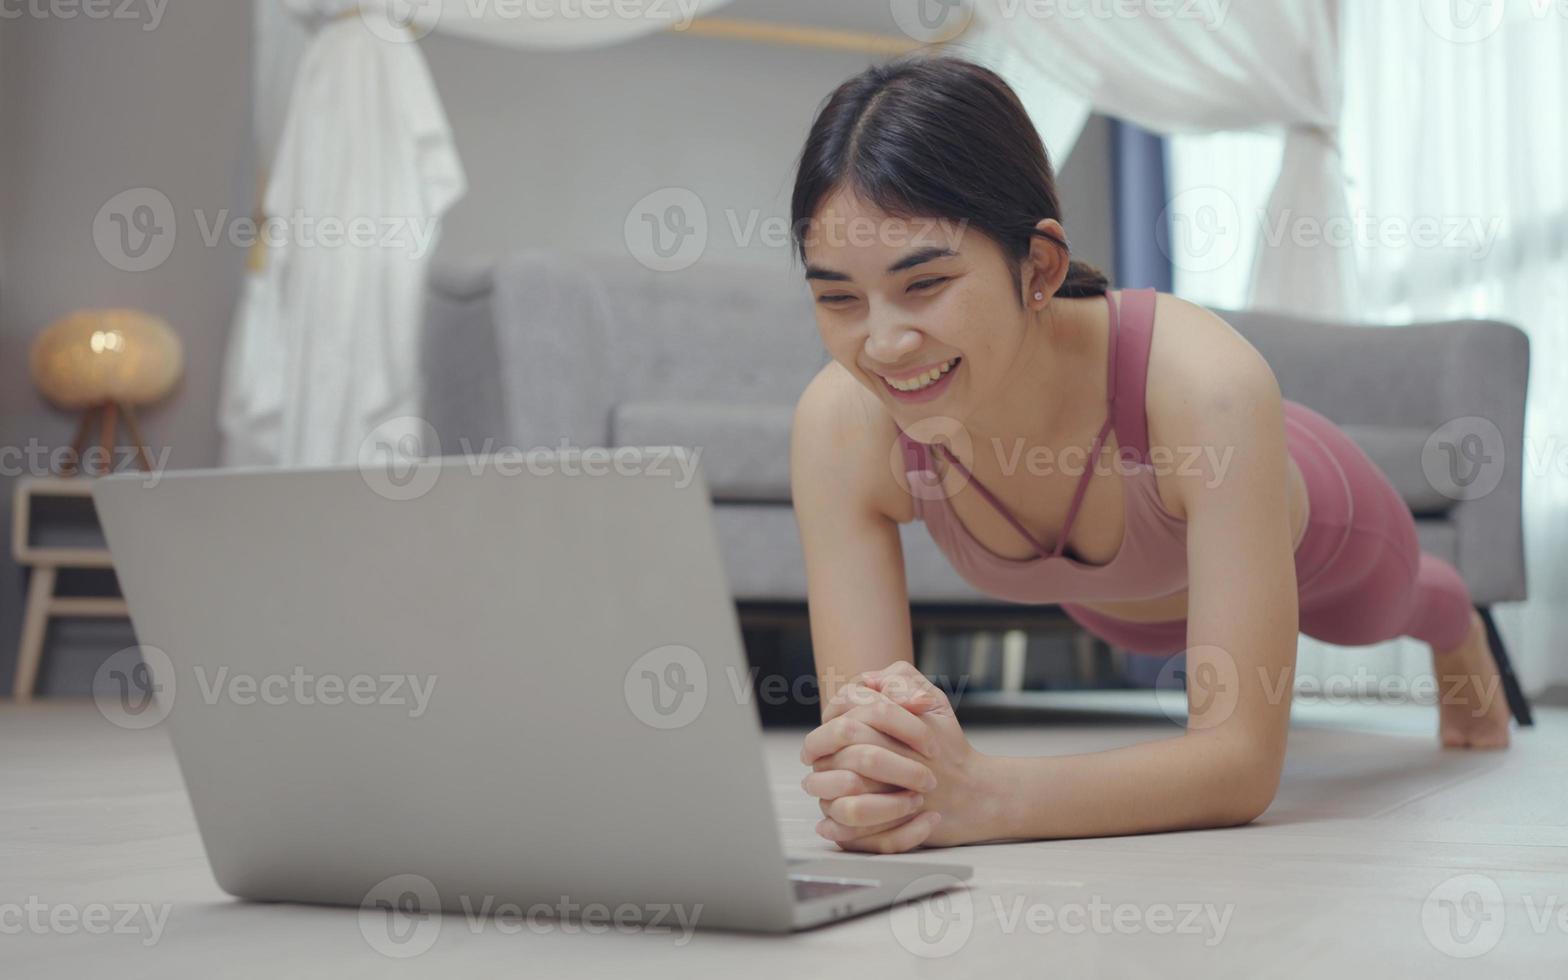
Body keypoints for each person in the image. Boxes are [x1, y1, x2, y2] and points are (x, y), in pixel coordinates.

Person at [786, 54, 1512, 855]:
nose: (883, 343)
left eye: (924, 285)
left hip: (1327, 525)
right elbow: (869, 734)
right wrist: (879, 783)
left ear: (1040, 266)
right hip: (1126, 594)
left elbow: (1240, 768)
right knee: (1143, 625)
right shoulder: (842, 425)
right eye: (839, 299)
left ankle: (1456, 624)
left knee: (1392, 606)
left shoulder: (1209, 387)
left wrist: (986, 796)